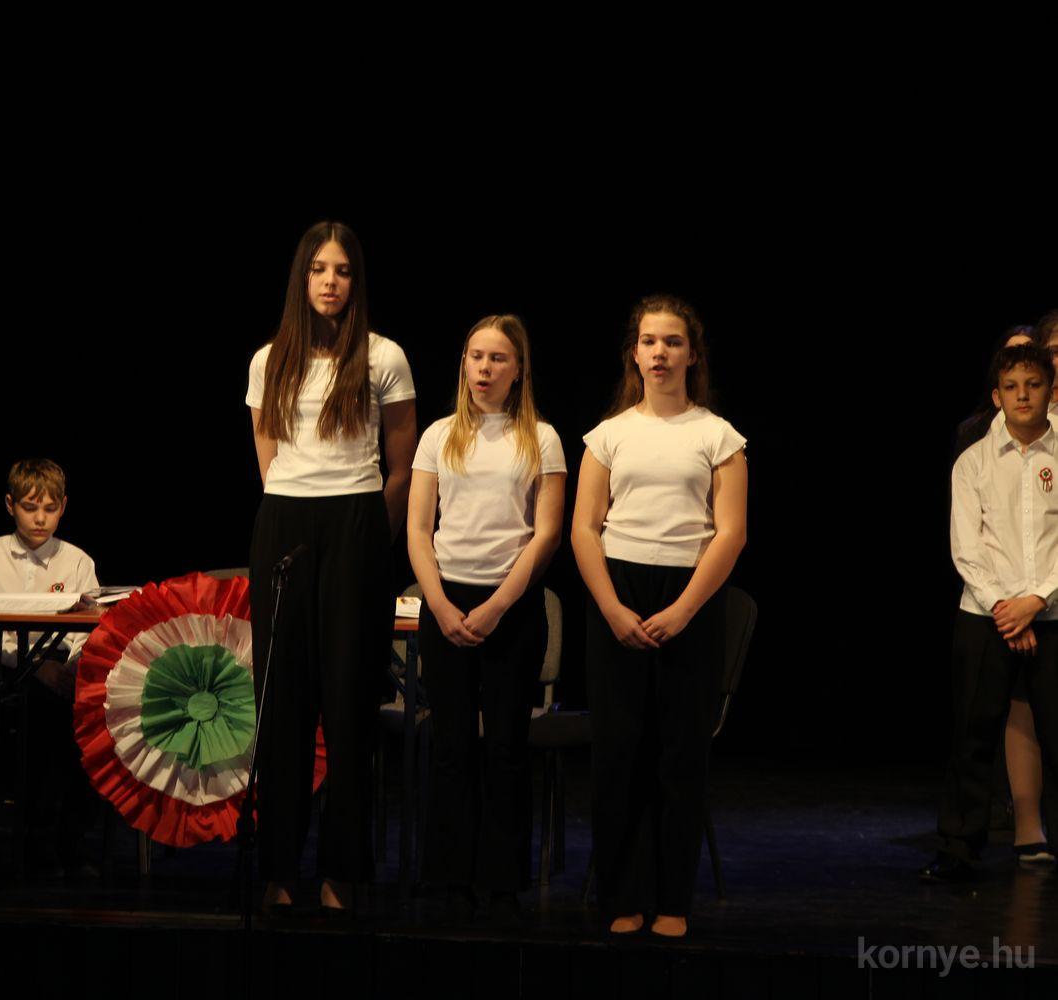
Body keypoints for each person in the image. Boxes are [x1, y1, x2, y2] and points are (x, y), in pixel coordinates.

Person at [245, 220, 417, 913]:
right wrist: (295, 512)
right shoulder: (269, 359)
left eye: (342, 270)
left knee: (348, 705)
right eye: (319, 269)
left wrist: (371, 539)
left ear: (356, 281)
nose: (330, 281)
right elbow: (267, 456)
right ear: (302, 277)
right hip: (286, 522)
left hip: (356, 522)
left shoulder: (383, 355)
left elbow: (401, 466)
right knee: (283, 705)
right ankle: (280, 868)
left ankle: (343, 871)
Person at [571, 295, 747, 938]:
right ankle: (621, 895)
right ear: (634, 353)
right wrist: (612, 607)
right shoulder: (609, 435)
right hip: (618, 593)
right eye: (649, 341)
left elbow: (730, 533)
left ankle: (673, 899)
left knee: (679, 756)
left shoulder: (717, 436)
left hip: (689, 596)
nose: (660, 353)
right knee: (619, 754)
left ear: (691, 354)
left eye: (673, 342)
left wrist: (682, 610)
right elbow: (585, 529)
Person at [406, 315, 565, 918]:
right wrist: (440, 603)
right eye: (476, 356)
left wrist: (498, 606)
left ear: (518, 369)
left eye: (498, 358)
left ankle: (500, 880)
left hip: (512, 606)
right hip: (447, 601)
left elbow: (546, 533)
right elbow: (419, 529)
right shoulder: (438, 435)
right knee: (450, 745)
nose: (485, 368)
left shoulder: (541, 438)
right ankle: (448, 876)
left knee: (504, 745)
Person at [923, 342, 1058, 882]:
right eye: (1012, 387)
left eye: (1034, 385)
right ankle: (959, 847)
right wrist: (1006, 608)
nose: (1023, 396)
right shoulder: (974, 460)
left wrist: (1037, 599)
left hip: (1052, 614)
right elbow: (966, 546)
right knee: (973, 735)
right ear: (997, 396)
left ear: (1049, 390)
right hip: (986, 616)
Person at [0, 458, 100, 874]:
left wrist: (73, 669)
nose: (40, 518)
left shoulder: (77, 561)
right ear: (10, 505)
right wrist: (37, 667)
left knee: (88, 712)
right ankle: (37, 838)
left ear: (63, 507)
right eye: (30, 507)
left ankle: (71, 836)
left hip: (64, 669)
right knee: (41, 712)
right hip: (8, 670)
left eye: (49, 508)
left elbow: (89, 631)